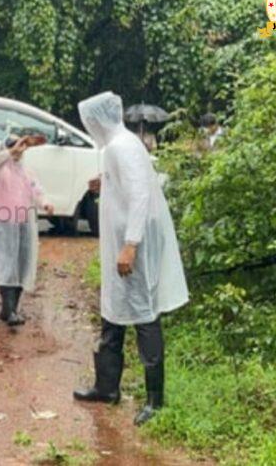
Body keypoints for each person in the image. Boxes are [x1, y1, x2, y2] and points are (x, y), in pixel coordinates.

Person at [72, 92, 189, 426]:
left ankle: (156, 400)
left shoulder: (121, 146)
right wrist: (104, 183)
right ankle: (106, 387)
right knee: (113, 310)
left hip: (130, 243)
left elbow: (139, 195)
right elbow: (129, 185)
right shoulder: (119, 145)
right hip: (121, 242)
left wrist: (130, 245)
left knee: (144, 315)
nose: (88, 126)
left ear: (98, 119)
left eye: (89, 120)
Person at [0, 134, 53, 328]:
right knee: (7, 264)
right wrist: (10, 151)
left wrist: (45, 203)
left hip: (23, 225)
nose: (18, 148)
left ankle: (11, 308)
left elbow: (37, 191)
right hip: (3, 224)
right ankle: (10, 309)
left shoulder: (27, 172)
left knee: (22, 264)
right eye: (12, 144)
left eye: (20, 144)